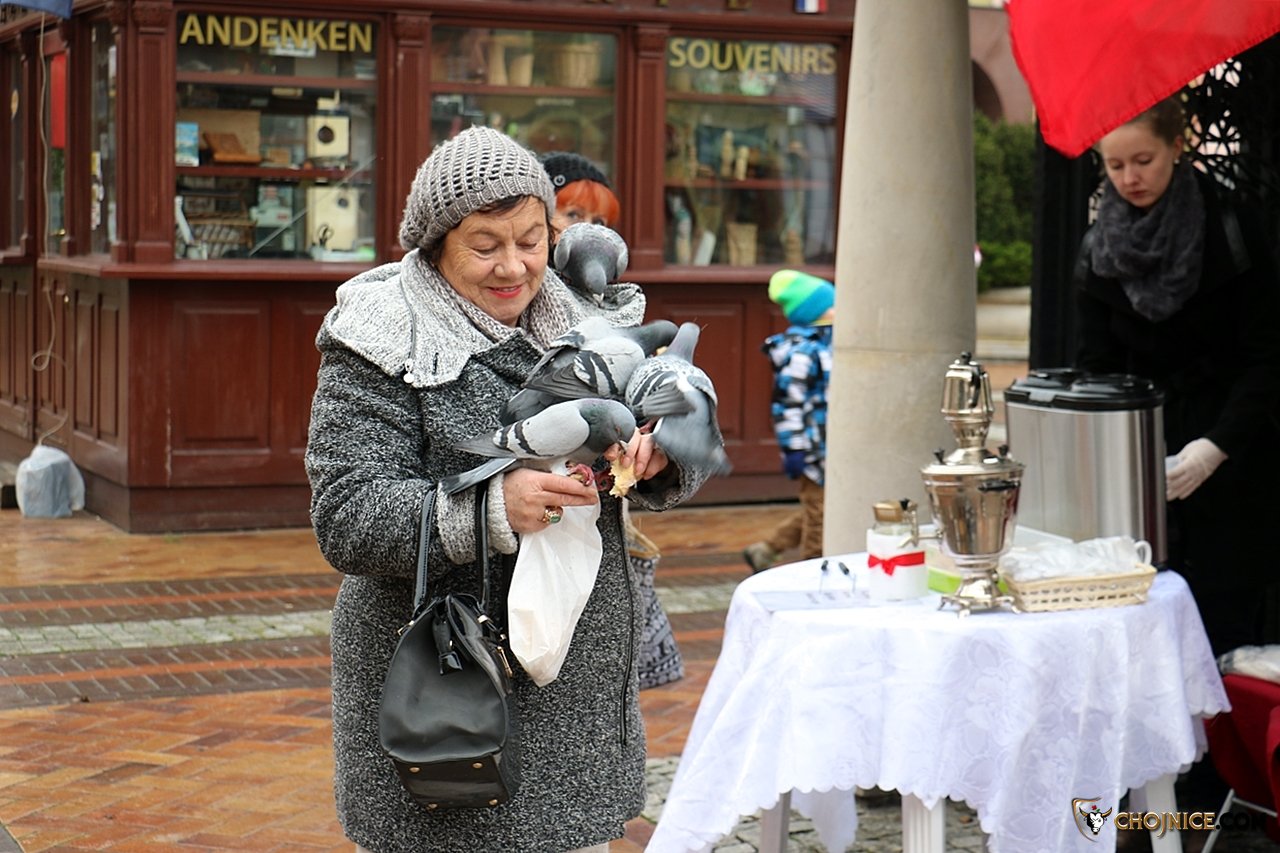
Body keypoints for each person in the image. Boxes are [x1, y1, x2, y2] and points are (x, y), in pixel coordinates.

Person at [305, 126, 713, 853]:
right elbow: (347, 514)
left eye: (531, 240)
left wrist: (660, 455)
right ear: (434, 245)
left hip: (576, 697)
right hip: (444, 695)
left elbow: (667, 432)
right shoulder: (379, 335)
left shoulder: (595, 319)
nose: (514, 266)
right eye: (485, 245)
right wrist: (492, 507)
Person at [1075, 95, 1280, 659]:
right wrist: (1123, 458)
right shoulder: (1097, 249)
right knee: (1140, 650)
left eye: (1143, 160)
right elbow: (1095, 370)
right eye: (1115, 165)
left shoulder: (1233, 228)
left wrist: (1215, 448)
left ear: (1177, 146)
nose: (1129, 178)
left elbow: (1266, 355)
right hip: (1140, 472)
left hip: (1231, 461)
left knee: (1224, 644)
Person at [540, 150, 685, 689]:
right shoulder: (513, 300)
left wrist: (661, 444)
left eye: (601, 220)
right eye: (574, 215)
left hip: (599, 526)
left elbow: (651, 406)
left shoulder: (622, 307)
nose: (589, 231)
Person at [742, 270, 835, 573]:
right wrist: (794, 449)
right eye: (832, 305)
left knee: (824, 509)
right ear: (815, 313)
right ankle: (815, 573)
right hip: (813, 450)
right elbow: (787, 404)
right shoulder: (802, 353)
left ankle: (768, 549)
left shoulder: (833, 344)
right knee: (821, 516)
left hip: (836, 445)